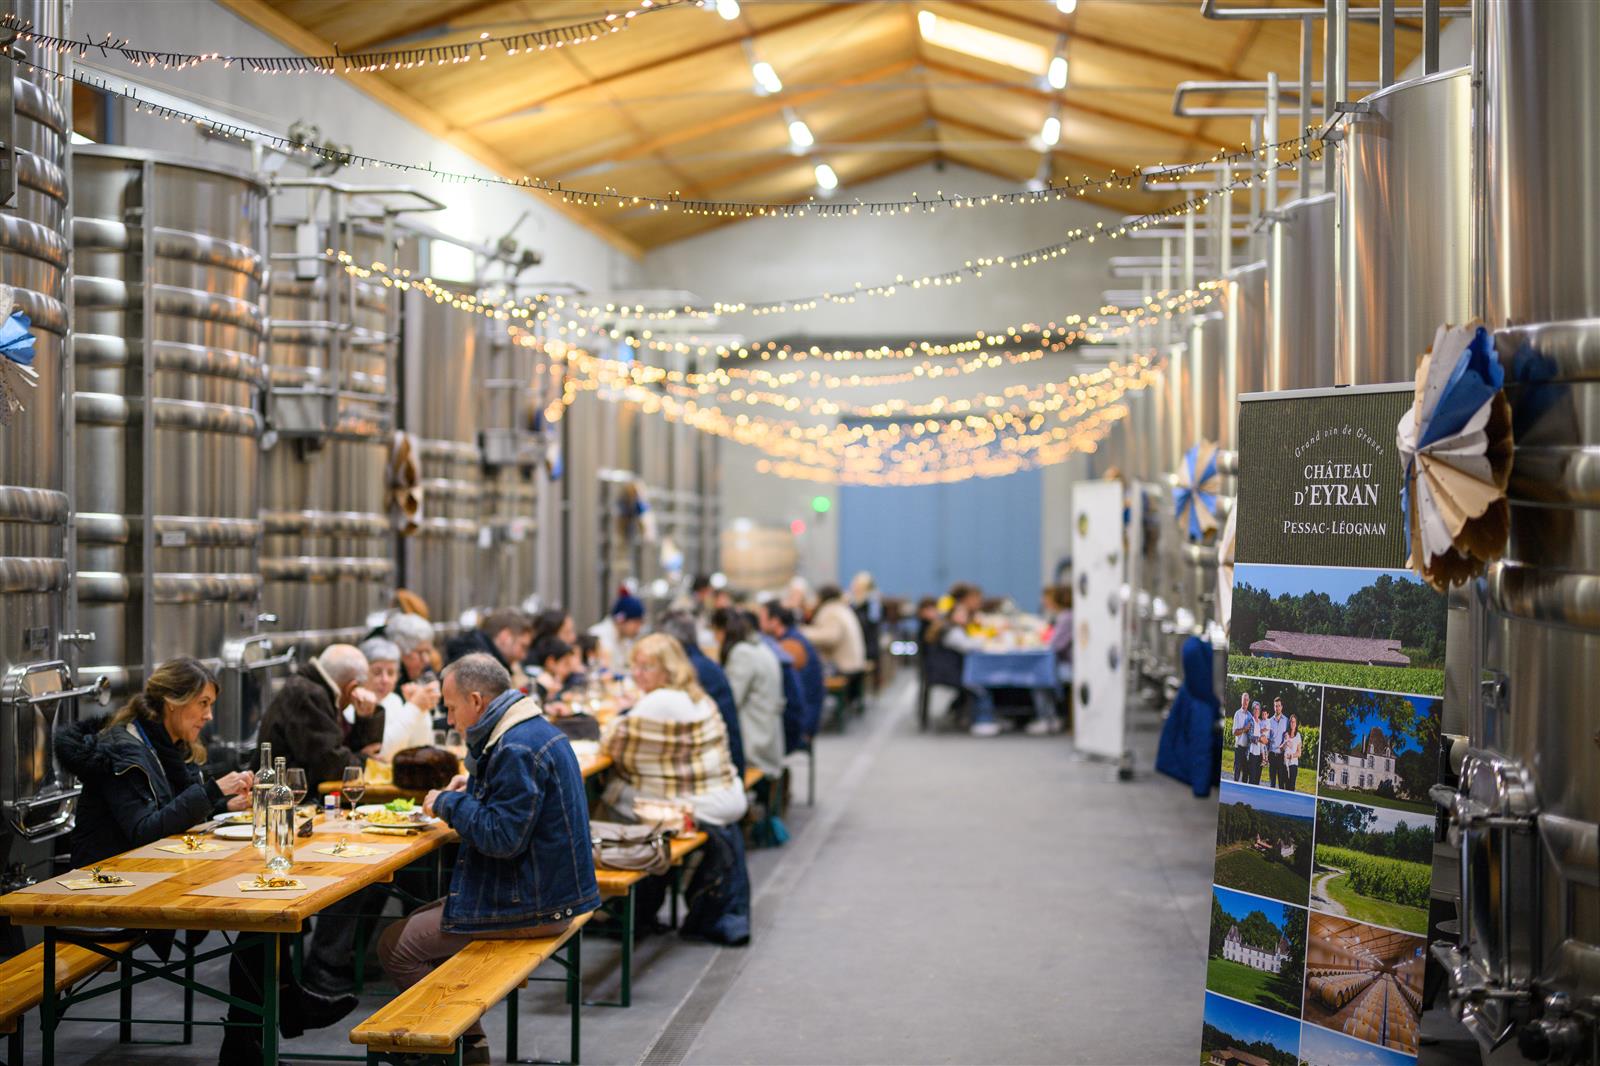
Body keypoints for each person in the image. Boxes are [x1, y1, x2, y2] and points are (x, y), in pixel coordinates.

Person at [54, 659, 356, 1063]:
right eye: (203, 703)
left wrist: (219, 800)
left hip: (150, 875)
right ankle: (261, 1026)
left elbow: (169, 809)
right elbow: (145, 829)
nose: (209, 715)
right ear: (173, 702)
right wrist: (212, 790)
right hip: (113, 887)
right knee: (256, 910)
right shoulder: (123, 750)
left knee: (262, 906)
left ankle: (254, 1032)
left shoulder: (158, 745)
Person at [380, 654, 598, 1066]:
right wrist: (478, 787)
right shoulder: (529, 730)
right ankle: (467, 1044)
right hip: (547, 890)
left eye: (451, 707)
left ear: (477, 701)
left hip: (536, 903)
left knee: (397, 946)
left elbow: (502, 837)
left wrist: (447, 802)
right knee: (418, 922)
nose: (448, 719)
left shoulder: (515, 747)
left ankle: (451, 1050)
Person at [602, 635, 750, 945]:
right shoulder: (696, 695)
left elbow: (615, 744)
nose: (638, 674)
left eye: (647, 667)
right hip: (726, 794)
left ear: (667, 670)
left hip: (701, 804)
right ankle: (639, 903)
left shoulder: (659, 701)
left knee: (615, 794)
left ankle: (614, 906)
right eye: (635, 667)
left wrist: (624, 714)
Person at [256, 643, 377, 788]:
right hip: (282, 800)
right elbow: (331, 765)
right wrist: (366, 760)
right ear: (351, 687)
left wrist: (364, 717)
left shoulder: (309, 688)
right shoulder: (309, 695)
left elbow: (343, 749)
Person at [658, 610, 746, 777]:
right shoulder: (704, 663)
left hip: (721, 767)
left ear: (671, 641)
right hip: (727, 758)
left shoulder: (689, 670)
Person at [711, 607, 785, 780]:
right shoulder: (758, 647)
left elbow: (731, 701)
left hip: (755, 743)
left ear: (722, 632)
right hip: (767, 736)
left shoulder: (742, 653)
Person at [354, 636, 437, 761]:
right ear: (361, 673)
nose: (385, 680)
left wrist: (422, 710)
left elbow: (421, 746)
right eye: (377, 672)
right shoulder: (353, 703)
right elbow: (381, 753)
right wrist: (414, 707)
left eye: (391, 673)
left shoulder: (394, 700)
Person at [759, 602, 824, 742]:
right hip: (804, 715)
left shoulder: (790, 646)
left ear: (775, 622)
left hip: (802, 724)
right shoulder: (792, 638)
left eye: (762, 619)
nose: (760, 625)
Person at [445, 608, 534, 683]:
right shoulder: (477, 664)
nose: (524, 656)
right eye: (523, 647)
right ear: (505, 636)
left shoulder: (480, 652)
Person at [588, 591, 645, 670]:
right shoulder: (597, 636)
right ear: (621, 620)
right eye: (636, 622)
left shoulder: (626, 640)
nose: (639, 628)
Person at [386, 611, 440, 689]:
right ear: (401, 652)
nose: (426, 659)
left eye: (428, 652)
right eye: (420, 652)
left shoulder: (425, 671)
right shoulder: (388, 680)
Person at [848, 571, 884, 688]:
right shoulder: (853, 602)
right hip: (856, 642)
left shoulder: (872, 602)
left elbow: (872, 624)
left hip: (868, 645)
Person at [1266, 696, 1290, 790]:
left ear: (1282, 707)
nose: (1277, 708)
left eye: (1279, 706)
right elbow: (1267, 739)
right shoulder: (1269, 721)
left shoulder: (1287, 721)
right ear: (1273, 707)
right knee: (1272, 783)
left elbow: (1288, 737)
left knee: (1281, 783)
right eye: (1275, 706)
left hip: (1281, 756)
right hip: (1272, 755)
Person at [1230, 691, 1253, 782]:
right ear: (1241, 701)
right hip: (1238, 748)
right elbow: (1234, 732)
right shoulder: (1237, 714)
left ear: (1249, 701)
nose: (1245, 702)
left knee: (1245, 775)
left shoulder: (1250, 716)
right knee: (1236, 772)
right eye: (1244, 700)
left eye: (1247, 700)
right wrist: (1245, 729)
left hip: (1246, 750)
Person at [1247, 701, 1267, 786]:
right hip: (1252, 753)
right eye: (1255, 709)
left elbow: (1264, 737)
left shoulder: (1261, 722)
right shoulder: (1251, 721)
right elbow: (1250, 737)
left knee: (1257, 779)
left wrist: (1265, 740)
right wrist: (1259, 739)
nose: (1257, 711)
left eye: (1258, 709)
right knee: (1252, 778)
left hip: (1260, 754)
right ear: (1253, 710)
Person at [1282, 713, 1303, 791]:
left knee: (1291, 787)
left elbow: (1299, 753)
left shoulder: (1298, 736)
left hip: (1293, 765)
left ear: (1296, 723)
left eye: (1294, 722)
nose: (1292, 723)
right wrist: (1285, 744)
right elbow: (1282, 749)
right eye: (1291, 721)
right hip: (1285, 764)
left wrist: (1291, 756)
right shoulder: (1286, 734)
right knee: (1285, 786)